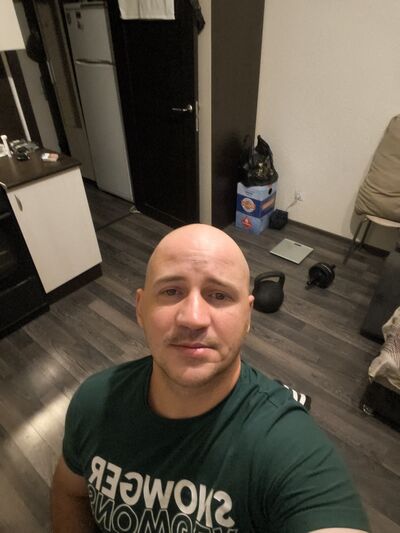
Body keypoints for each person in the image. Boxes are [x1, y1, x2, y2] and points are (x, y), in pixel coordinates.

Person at [51, 224, 370, 533]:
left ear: (247, 317)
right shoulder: (93, 402)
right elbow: (70, 492)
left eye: (219, 295)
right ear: (140, 309)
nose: (193, 318)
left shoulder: (289, 446)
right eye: (171, 291)